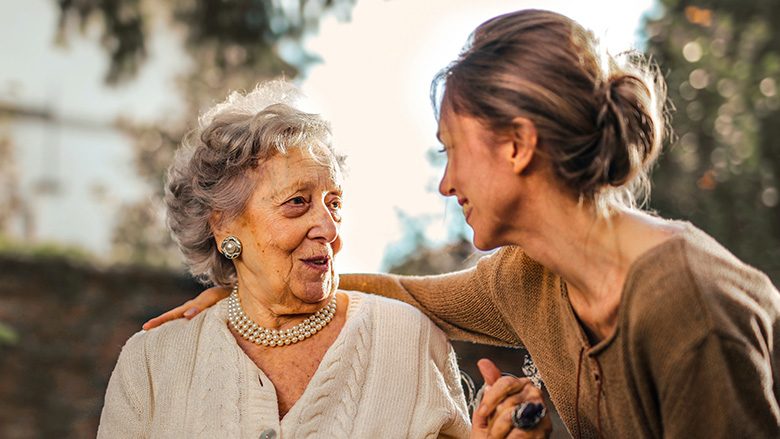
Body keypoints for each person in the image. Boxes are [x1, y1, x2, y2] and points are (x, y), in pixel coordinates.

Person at [144, 9, 780, 439]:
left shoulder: (688, 308)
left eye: (451, 148)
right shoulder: (527, 278)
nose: (446, 183)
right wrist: (248, 286)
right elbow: (403, 293)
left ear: (517, 145)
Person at [97, 80, 478, 438]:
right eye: (297, 202)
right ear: (224, 225)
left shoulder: (409, 340)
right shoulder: (150, 363)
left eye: (335, 204)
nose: (328, 229)